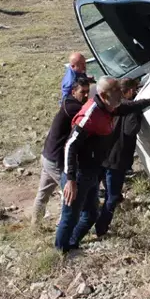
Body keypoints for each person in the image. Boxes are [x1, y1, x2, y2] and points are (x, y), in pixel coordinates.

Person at [54, 76, 150, 252]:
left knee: (91, 214)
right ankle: (60, 252)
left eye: (119, 90)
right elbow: (70, 146)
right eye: (115, 91)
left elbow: (126, 107)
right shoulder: (90, 115)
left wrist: (149, 100)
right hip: (78, 174)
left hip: (92, 172)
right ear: (103, 94)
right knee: (70, 217)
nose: (119, 94)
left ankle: (72, 245)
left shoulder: (109, 107)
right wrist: (71, 179)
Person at [31, 77, 91, 227]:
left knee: (43, 193)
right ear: (73, 92)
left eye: (87, 92)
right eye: (82, 92)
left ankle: (34, 225)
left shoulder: (68, 102)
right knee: (70, 192)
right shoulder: (74, 109)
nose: (85, 95)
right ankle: (64, 226)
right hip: (56, 159)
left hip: (47, 156)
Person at [95, 78, 150, 238]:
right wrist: (139, 115)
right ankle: (101, 228)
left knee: (100, 189)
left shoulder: (112, 106)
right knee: (111, 196)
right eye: (134, 90)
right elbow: (130, 130)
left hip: (103, 155)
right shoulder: (130, 109)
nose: (135, 93)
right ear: (129, 91)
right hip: (117, 159)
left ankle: (95, 216)